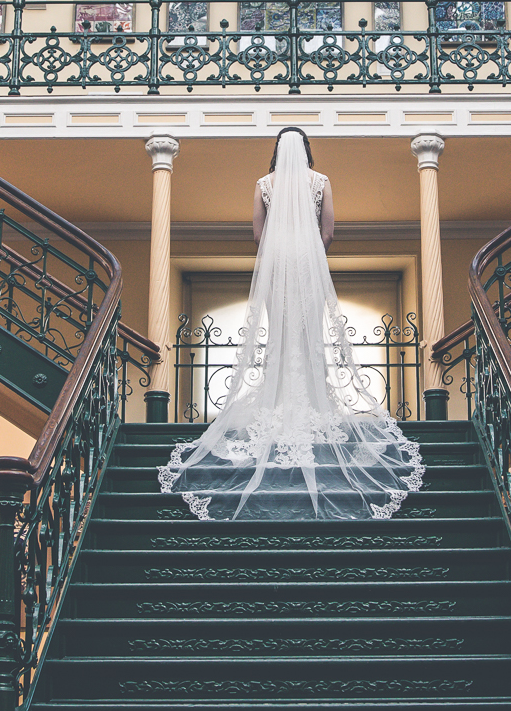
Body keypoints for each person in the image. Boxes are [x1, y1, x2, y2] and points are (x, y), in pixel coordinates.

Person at [158, 127, 425, 519]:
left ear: (277, 152)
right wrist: (312, 258)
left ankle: (280, 404)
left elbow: (256, 235)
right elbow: (328, 232)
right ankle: (313, 406)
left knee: (281, 336)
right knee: (308, 335)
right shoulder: (321, 181)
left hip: (278, 262)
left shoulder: (264, 183)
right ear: (306, 150)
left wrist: (277, 258)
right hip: (307, 261)